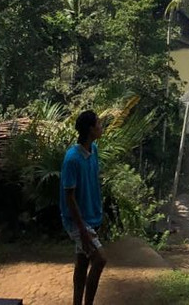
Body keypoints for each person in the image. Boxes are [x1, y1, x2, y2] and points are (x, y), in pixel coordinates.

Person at [61, 110, 107, 305]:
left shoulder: (93, 150)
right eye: (98, 124)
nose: (101, 126)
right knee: (100, 260)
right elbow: (69, 197)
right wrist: (82, 229)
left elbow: (93, 183)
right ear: (90, 129)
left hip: (91, 216)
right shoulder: (72, 159)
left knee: (82, 263)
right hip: (76, 220)